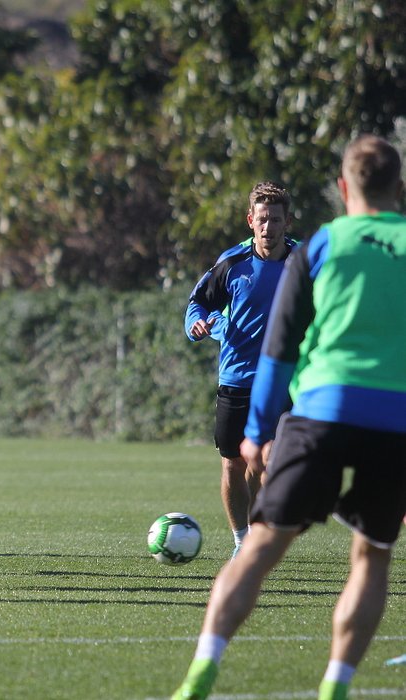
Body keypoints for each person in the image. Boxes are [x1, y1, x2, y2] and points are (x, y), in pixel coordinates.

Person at [172, 134, 406, 700]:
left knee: (261, 547)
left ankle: (204, 667)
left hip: (320, 407)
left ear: (345, 189)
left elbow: (278, 348)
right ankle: (336, 684)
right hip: (393, 418)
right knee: (371, 557)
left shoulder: (320, 245)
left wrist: (258, 430)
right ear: (399, 189)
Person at [184, 181, 296, 558]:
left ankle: (259, 536)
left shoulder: (303, 264)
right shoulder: (232, 263)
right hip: (236, 377)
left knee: (269, 459)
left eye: (275, 220)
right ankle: (240, 541)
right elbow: (198, 303)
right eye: (262, 219)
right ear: (251, 221)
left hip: (284, 378)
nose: (269, 227)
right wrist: (197, 326)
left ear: (287, 222)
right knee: (233, 463)